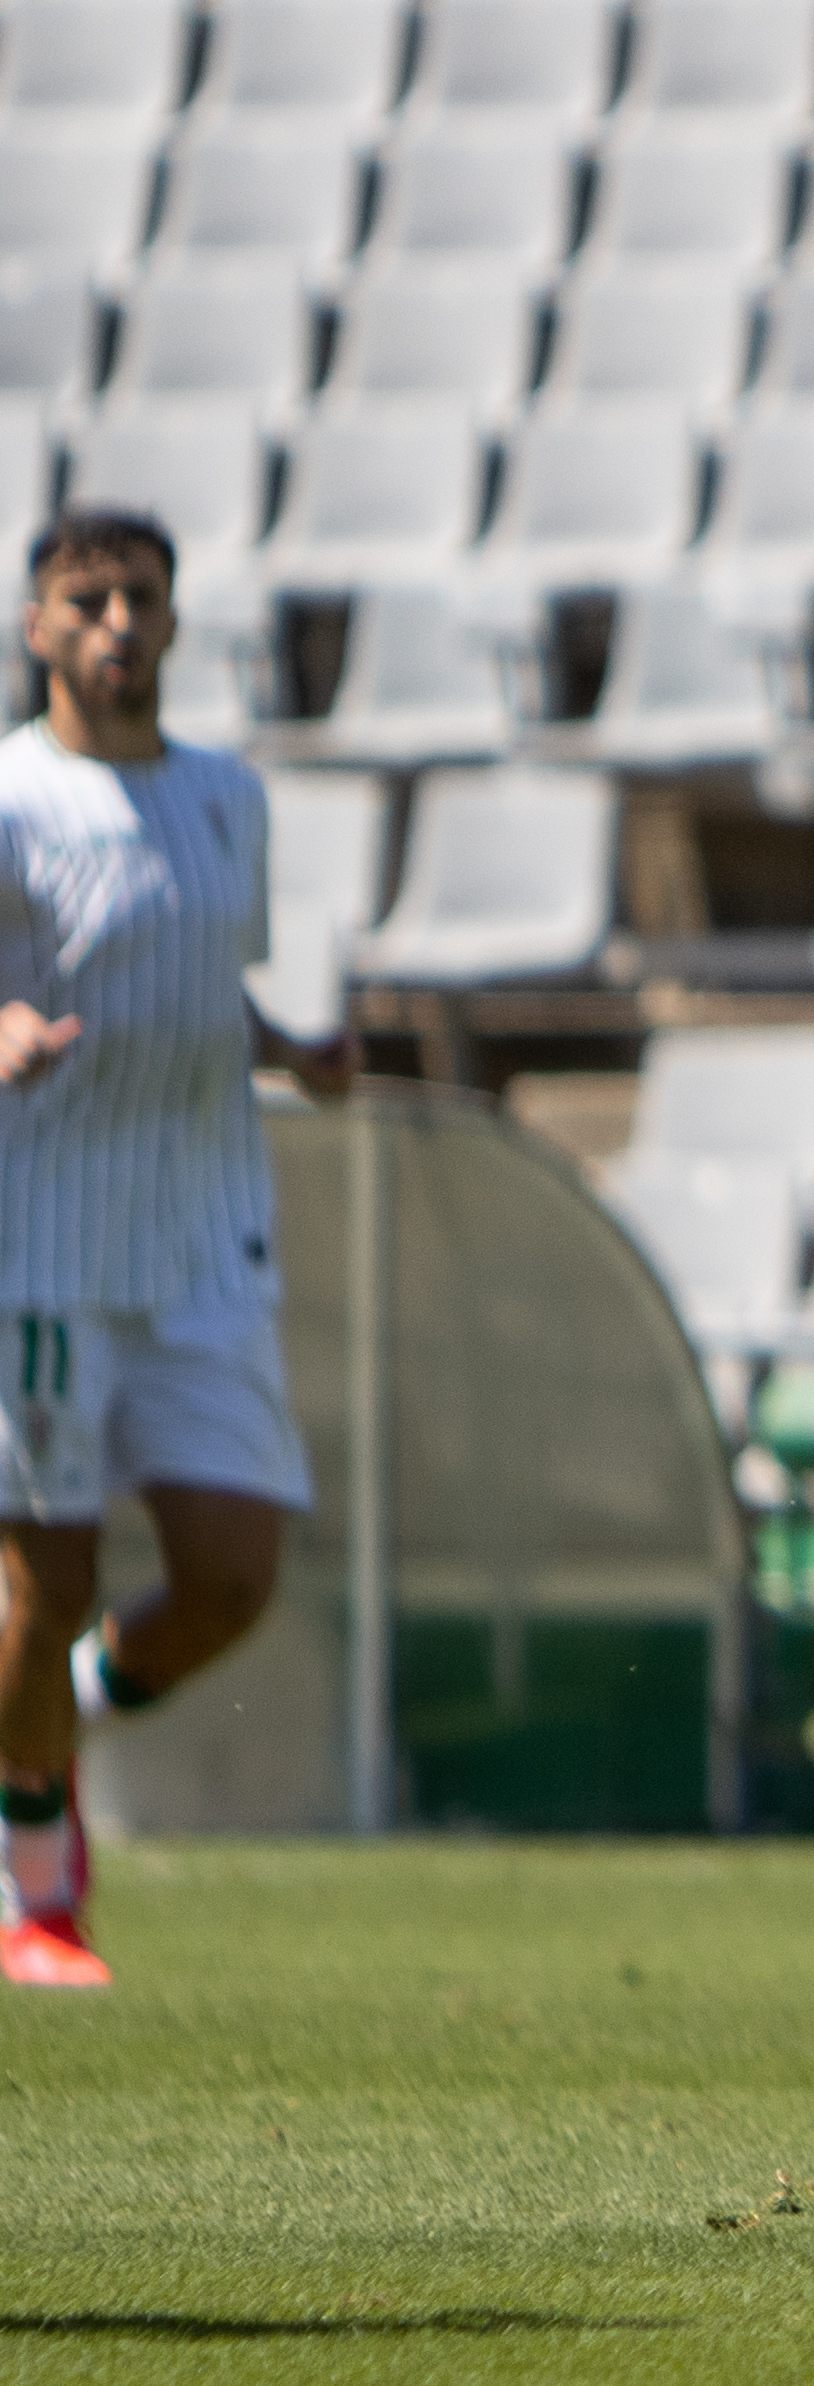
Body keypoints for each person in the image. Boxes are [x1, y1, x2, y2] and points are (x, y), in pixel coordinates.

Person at [0, 507, 350, 1989]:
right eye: (86, 600)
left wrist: (295, 1049)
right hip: (46, 1248)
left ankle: (56, 1707)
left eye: (140, 596)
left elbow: (206, 978)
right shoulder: (11, 800)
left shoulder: (226, 798)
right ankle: (37, 1900)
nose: (117, 624)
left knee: (232, 1574)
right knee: (46, 1577)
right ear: (37, 629)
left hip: (205, 1241)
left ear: (176, 619)